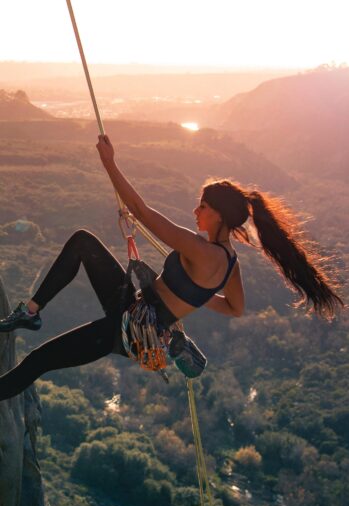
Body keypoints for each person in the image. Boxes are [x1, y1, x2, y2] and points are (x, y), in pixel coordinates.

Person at [0, 135, 343, 400]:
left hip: (128, 329)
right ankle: (31, 313)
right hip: (135, 307)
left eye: (203, 206)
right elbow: (235, 309)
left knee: (37, 362)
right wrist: (196, 296)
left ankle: (31, 316)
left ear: (220, 215)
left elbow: (142, 209)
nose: (196, 211)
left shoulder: (200, 250)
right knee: (83, 242)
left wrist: (109, 163)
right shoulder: (229, 264)